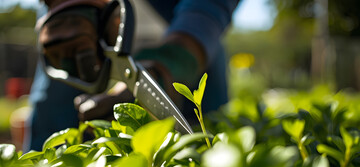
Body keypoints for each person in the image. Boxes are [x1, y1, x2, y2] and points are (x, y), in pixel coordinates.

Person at [24, 0, 240, 151]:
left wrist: (178, 57)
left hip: (183, 24)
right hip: (81, 17)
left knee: (209, 127)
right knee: (52, 120)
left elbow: (209, 6)